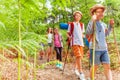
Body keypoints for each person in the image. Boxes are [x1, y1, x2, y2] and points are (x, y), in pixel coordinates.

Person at [86, 4, 114, 80]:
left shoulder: (103, 24)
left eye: (102, 12)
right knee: (95, 66)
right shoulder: (92, 22)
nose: (101, 13)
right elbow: (88, 32)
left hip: (104, 48)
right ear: (94, 13)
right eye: (98, 12)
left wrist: (110, 26)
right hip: (95, 48)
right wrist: (92, 20)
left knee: (107, 67)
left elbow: (106, 34)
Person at [67, 11, 86, 80]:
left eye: (79, 16)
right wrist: (69, 37)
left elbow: (82, 34)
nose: (78, 17)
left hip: (81, 42)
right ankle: (81, 72)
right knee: (78, 55)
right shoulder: (71, 24)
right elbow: (68, 33)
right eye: (76, 15)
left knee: (79, 57)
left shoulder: (82, 24)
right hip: (74, 42)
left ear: (80, 17)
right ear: (74, 16)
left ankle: (75, 68)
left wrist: (86, 37)